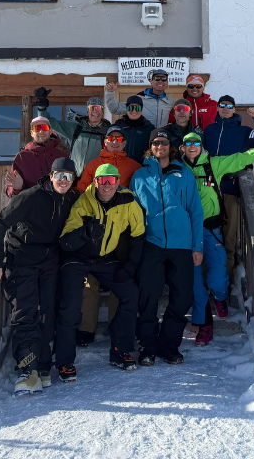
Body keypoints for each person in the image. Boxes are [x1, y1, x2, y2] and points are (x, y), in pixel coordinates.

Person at [179, 130, 254, 345]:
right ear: (182, 147)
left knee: (217, 277)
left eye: (196, 143)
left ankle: (220, 297)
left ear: (201, 146)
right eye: (188, 143)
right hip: (187, 232)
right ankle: (203, 326)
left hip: (211, 229)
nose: (192, 146)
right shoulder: (178, 169)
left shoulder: (214, 164)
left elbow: (241, 158)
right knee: (196, 284)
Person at [0, 157, 79, 395]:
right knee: (25, 312)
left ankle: (42, 366)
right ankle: (28, 369)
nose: (64, 181)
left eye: (68, 177)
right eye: (59, 175)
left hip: (50, 260)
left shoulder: (72, 198)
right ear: (51, 176)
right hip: (22, 258)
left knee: (48, 311)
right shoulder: (32, 197)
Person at [53, 163, 146, 378]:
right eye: (102, 180)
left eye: (111, 180)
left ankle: (120, 350)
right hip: (77, 258)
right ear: (95, 182)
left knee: (130, 293)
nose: (106, 185)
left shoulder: (128, 201)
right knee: (71, 303)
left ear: (118, 182)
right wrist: (85, 232)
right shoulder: (83, 202)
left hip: (104, 258)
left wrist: (131, 265)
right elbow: (66, 242)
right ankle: (64, 361)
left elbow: (139, 234)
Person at [130, 129, 204, 365]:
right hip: (152, 244)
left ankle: (169, 346)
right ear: (150, 147)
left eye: (163, 142)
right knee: (148, 298)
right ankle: (147, 347)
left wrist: (197, 246)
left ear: (170, 146)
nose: (159, 146)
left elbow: (195, 211)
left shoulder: (184, 173)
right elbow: (133, 212)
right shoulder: (140, 176)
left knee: (183, 298)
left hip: (182, 245)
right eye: (155, 143)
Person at [73, 125, 144, 346]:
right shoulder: (93, 165)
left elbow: (140, 192)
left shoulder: (134, 166)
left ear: (125, 143)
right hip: (96, 229)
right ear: (105, 141)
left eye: (119, 139)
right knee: (90, 279)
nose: (115, 142)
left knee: (121, 277)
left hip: (122, 230)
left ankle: (117, 324)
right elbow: (81, 191)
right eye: (111, 139)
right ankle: (86, 328)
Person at [203, 96, 254, 281]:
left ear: (234, 109)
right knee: (205, 237)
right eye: (222, 105)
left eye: (229, 106)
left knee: (228, 238)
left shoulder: (244, 132)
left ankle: (225, 281)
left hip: (230, 190)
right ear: (217, 108)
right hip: (207, 192)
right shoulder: (209, 130)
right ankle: (206, 280)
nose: (225, 108)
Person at [34, 89, 110, 177]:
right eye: (92, 108)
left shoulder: (108, 132)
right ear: (88, 111)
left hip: (95, 179)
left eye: (98, 108)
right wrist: (41, 107)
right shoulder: (76, 129)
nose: (95, 111)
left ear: (102, 112)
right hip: (74, 178)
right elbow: (49, 122)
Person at [5, 116, 71, 197]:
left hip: (57, 203)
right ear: (32, 133)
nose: (41, 131)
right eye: (37, 128)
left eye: (44, 127)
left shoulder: (62, 156)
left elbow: (72, 183)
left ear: (50, 131)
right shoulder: (22, 157)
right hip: (32, 203)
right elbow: (10, 192)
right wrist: (17, 188)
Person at [105, 69, 175, 128]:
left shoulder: (171, 102)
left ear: (167, 83)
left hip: (160, 138)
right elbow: (115, 109)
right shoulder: (139, 100)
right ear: (151, 82)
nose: (160, 81)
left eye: (163, 79)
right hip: (142, 136)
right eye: (157, 78)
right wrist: (110, 93)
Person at [108, 95, 156, 165]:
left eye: (137, 108)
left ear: (141, 109)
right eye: (131, 108)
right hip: (118, 166)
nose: (134, 111)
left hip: (140, 168)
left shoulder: (149, 129)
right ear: (126, 109)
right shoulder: (117, 127)